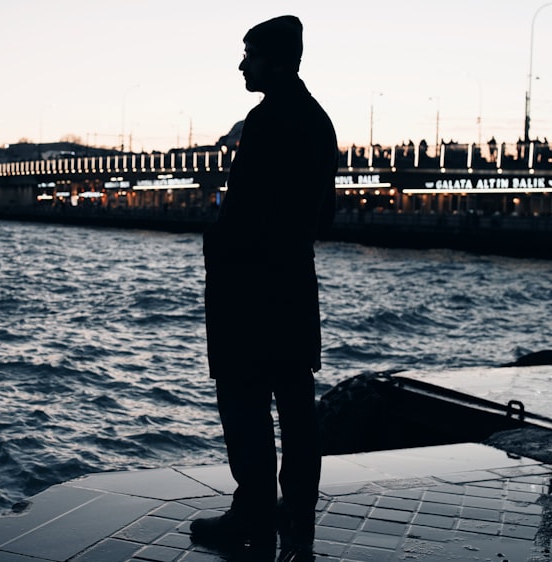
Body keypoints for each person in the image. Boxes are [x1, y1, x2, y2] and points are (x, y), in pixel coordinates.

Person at [189, 15, 337, 562]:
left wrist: (217, 246)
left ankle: (251, 509)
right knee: (296, 403)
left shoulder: (266, 120)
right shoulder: (321, 123)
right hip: (295, 285)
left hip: (249, 289)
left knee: (244, 399)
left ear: (275, 61)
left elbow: (244, 211)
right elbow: (325, 218)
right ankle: (297, 509)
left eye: (249, 55)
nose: (242, 65)